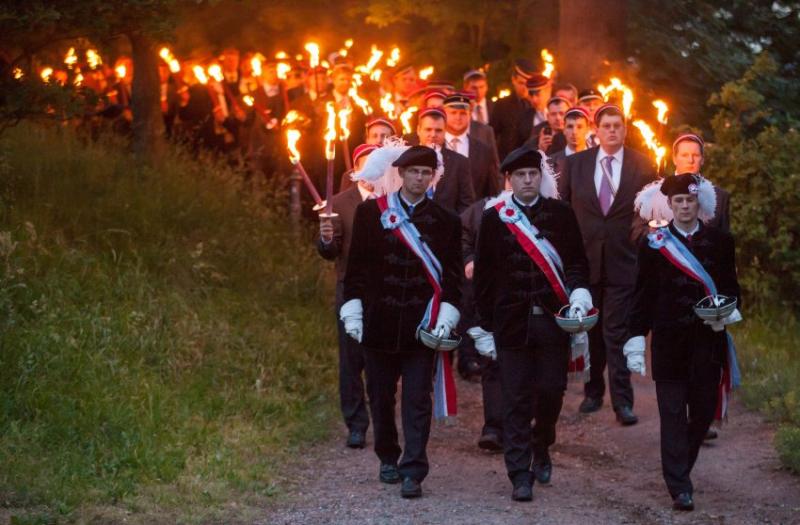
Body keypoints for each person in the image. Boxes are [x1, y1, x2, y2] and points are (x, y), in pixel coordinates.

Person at [341, 145, 462, 499]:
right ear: (401, 174)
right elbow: (357, 269)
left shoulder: (446, 221)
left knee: (416, 400)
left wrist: (448, 315)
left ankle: (413, 469)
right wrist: (353, 309)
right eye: (414, 172)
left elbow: (454, 278)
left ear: (433, 178)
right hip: (378, 323)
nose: (419, 178)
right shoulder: (370, 213)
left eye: (426, 173)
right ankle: (388, 456)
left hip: (420, 327)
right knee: (379, 397)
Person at [472, 147, 591, 502]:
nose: (527, 180)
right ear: (509, 180)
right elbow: (485, 277)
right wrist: (483, 326)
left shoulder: (562, 214)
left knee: (552, 393)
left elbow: (576, 264)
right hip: (511, 325)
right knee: (516, 399)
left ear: (541, 177)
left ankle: (542, 445)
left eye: (533, 174)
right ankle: (519, 474)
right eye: (520, 175)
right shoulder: (495, 218)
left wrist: (580, 296)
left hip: (554, 324)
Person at [625, 173, 741, 510]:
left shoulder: (721, 241)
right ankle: (679, 486)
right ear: (670, 205)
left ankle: (680, 468)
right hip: (669, 342)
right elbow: (642, 295)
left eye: (690, 200)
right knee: (673, 415)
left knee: (703, 414)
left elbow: (732, 288)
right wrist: (635, 336)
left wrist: (728, 312)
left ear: (699, 203)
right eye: (679, 201)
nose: (685, 206)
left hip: (708, 342)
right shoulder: (653, 244)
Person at [561, 104, 657, 424]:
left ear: (625, 129)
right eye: (606, 125)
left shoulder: (642, 165)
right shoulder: (574, 165)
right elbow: (562, 211)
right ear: (596, 129)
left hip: (623, 260)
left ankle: (622, 402)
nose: (612, 130)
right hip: (584, 261)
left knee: (616, 331)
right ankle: (592, 392)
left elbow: (649, 211)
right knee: (590, 329)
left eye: (618, 125)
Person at [318, 144, 379, 449]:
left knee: (380, 357)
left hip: (384, 290)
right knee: (351, 358)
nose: (372, 172)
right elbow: (330, 252)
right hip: (351, 289)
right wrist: (326, 237)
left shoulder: (393, 200)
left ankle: (382, 416)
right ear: (355, 171)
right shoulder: (339, 203)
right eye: (366, 166)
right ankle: (356, 422)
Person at [415, 108, 475, 213]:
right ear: (418, 130)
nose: (433, 135)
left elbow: (466, 205)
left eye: (438, 130)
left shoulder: (460, 162)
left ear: (445, 131)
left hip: (447, 227)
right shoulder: (405, 158)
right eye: (428, 129)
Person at [442, 93, 500, 199]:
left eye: (463, 113)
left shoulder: (484, 151)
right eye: (453, 113)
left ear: (470, 115)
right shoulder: (435, 146)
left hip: (474, 212)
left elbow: (492, 190)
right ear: (444, 114)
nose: (458, 117)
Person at [671, 133, 730, 232]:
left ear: (702, 159)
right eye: (684, 155)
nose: (690, 160)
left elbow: (724, 243)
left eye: (696, 155)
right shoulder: (656, 194)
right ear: (674, 159)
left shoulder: (719, 197)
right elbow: (639, 233)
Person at [490, 59, 536, 161]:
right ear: (513, 80)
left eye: (528, 84)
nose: (525, 88)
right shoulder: (502, 105)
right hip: (508, 160)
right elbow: (492, 136)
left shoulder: (536, 105)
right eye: (521, 83)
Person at [549, 106, 591, 193]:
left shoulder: (599, 160)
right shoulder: (549, 164)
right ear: (564, 129)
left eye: (579, 127)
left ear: (587, 129)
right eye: (570, 126)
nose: (574, 132)